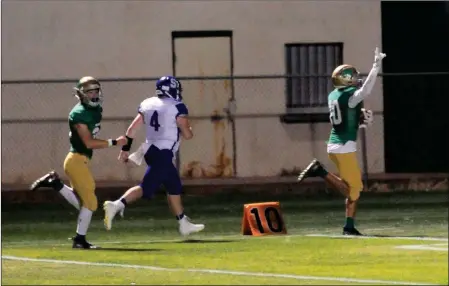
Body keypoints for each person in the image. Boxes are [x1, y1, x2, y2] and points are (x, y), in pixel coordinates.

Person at [297, 47, 386, 236]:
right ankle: (319, 170)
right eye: (352, 77)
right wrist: (376, 66)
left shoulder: (334, 96)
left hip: (335, 144)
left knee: (352, 188)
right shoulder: (349, 97)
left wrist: (358, 122)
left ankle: (349, 226)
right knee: (354, 190)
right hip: (344, 147)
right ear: (345, 79)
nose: (355, 79)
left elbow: (345, 117)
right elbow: (366, 90)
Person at [30, 76, 127, 249]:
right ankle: (79, 240)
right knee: (90, 203)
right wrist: (114, 142)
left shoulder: (95, 110)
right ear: (81, 94)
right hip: (76, 160)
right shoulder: (78, 114)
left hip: (80, 160)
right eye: (90, 92)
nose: (94, 94)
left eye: (96, 90)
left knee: (84, 202)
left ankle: (55, 183)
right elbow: (88, 142)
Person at [103, 76, 205, 236]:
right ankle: (116, 204)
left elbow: (131, 130)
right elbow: (188, 134)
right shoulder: (177, 106)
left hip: (150, 150)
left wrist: (125, 149)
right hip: (163, 152)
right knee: (146, 187)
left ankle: (183, 223)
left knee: (174, 186)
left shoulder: (147, 104)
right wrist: (187, 127)